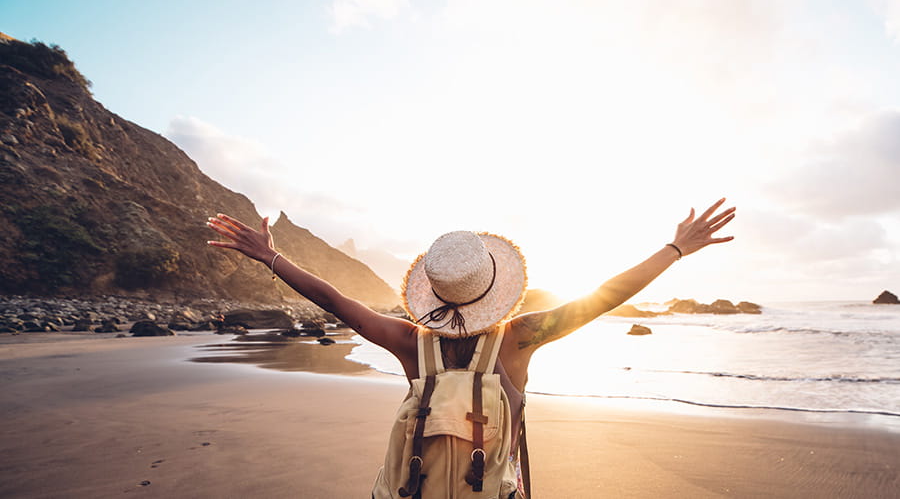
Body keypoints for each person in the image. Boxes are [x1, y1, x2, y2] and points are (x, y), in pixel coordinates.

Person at [206, 198, 735, 497]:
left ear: (433, 293)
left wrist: (271, 259)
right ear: (495, 288)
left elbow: (336, 300)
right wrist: (675, 250)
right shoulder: (521, 337)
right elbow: (604, 297)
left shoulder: (410, 341)